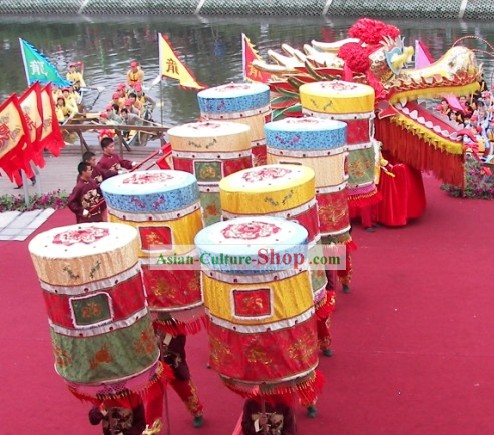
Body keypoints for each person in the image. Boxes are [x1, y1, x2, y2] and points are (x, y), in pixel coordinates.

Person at [156, 331, 204, 428]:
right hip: (155, 365)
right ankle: (152, 425)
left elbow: (179, 344)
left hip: (174, 365)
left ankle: (197, 411)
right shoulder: (148, 323)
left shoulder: (175, 322)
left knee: (185, 390)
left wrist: (165, 337)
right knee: (154, 397)